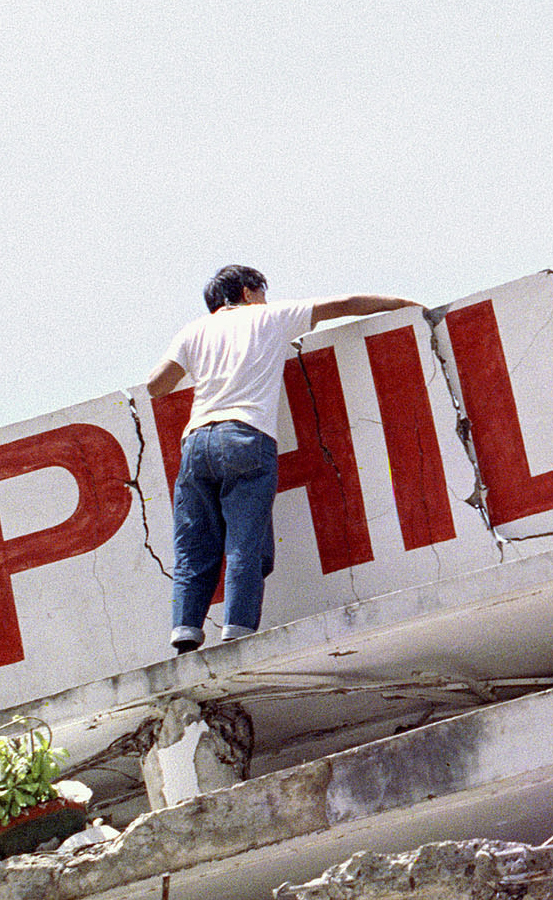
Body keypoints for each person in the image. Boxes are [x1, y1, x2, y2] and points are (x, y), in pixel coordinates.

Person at [147, 265, 421, 655]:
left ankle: (185, 630)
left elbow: (156, 385)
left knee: (194, 545)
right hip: (245, 436)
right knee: (245, 540)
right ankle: (237, 631)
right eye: (262, 291)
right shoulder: (269, 317)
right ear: (247, 291)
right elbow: (343, 304)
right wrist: (403, 303)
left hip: (196, 442)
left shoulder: (193, 331)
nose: (266, 298)